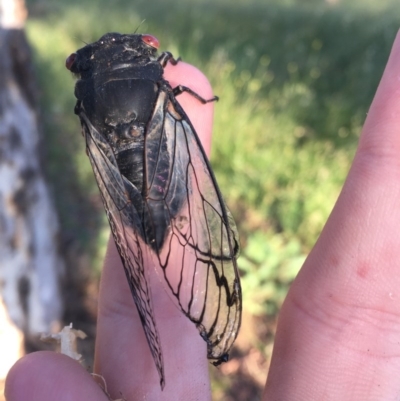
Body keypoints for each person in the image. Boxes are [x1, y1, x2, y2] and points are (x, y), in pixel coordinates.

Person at [5, 31, 400, 401]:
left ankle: (185, 310)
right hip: (166, 177)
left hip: (123, 182)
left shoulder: (88, 93)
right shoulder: (158, 76)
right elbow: (177, 78)